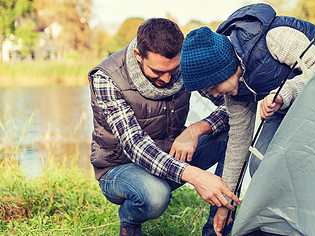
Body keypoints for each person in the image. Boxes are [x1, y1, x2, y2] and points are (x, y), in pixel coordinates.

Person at [179, 3, 315, 235]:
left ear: (225, 69)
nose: (215, 96)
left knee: (307, 163)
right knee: (262, 163)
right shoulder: (236, 91)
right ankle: (286, 226)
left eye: (213, 87)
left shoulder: (273, 39)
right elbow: (238, 145)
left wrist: (284, 93)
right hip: (290, 105)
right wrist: (224, 207)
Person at [88, 18, 240, 236]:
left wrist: (197, 128)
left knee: (232, 136)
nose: (168, 78)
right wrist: (196, 176)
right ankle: (130, 219)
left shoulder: (183, 65)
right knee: (155, 195)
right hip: (120, 167)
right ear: (138, 55)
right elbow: (135, 145)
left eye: (174, 69)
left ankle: (215, 231)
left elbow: (234, 106)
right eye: (158, 72)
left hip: (169, 157)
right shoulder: (106, 78)